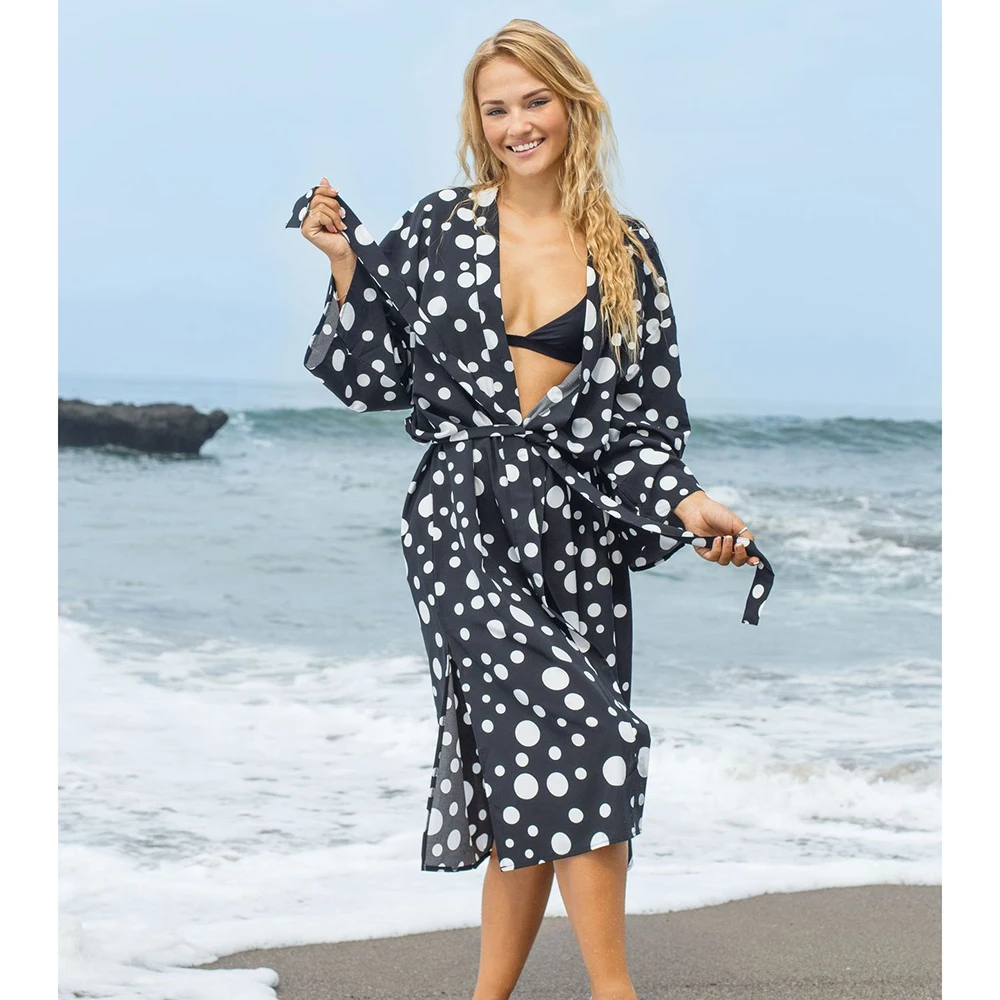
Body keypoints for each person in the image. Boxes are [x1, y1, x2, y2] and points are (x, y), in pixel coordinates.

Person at [286, 18, 774, 1000]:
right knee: (586, 738)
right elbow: (373, 379)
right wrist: (342, 263)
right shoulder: (440, 226)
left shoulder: (627, 252)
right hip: (461, 519)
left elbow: (638, 428)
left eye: (534, 100)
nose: (517, 124)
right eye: (496, 107)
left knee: (533, 760)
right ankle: (615, 991)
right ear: (477, 122)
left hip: (576, 526)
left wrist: (689, 506)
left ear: (573, 104)